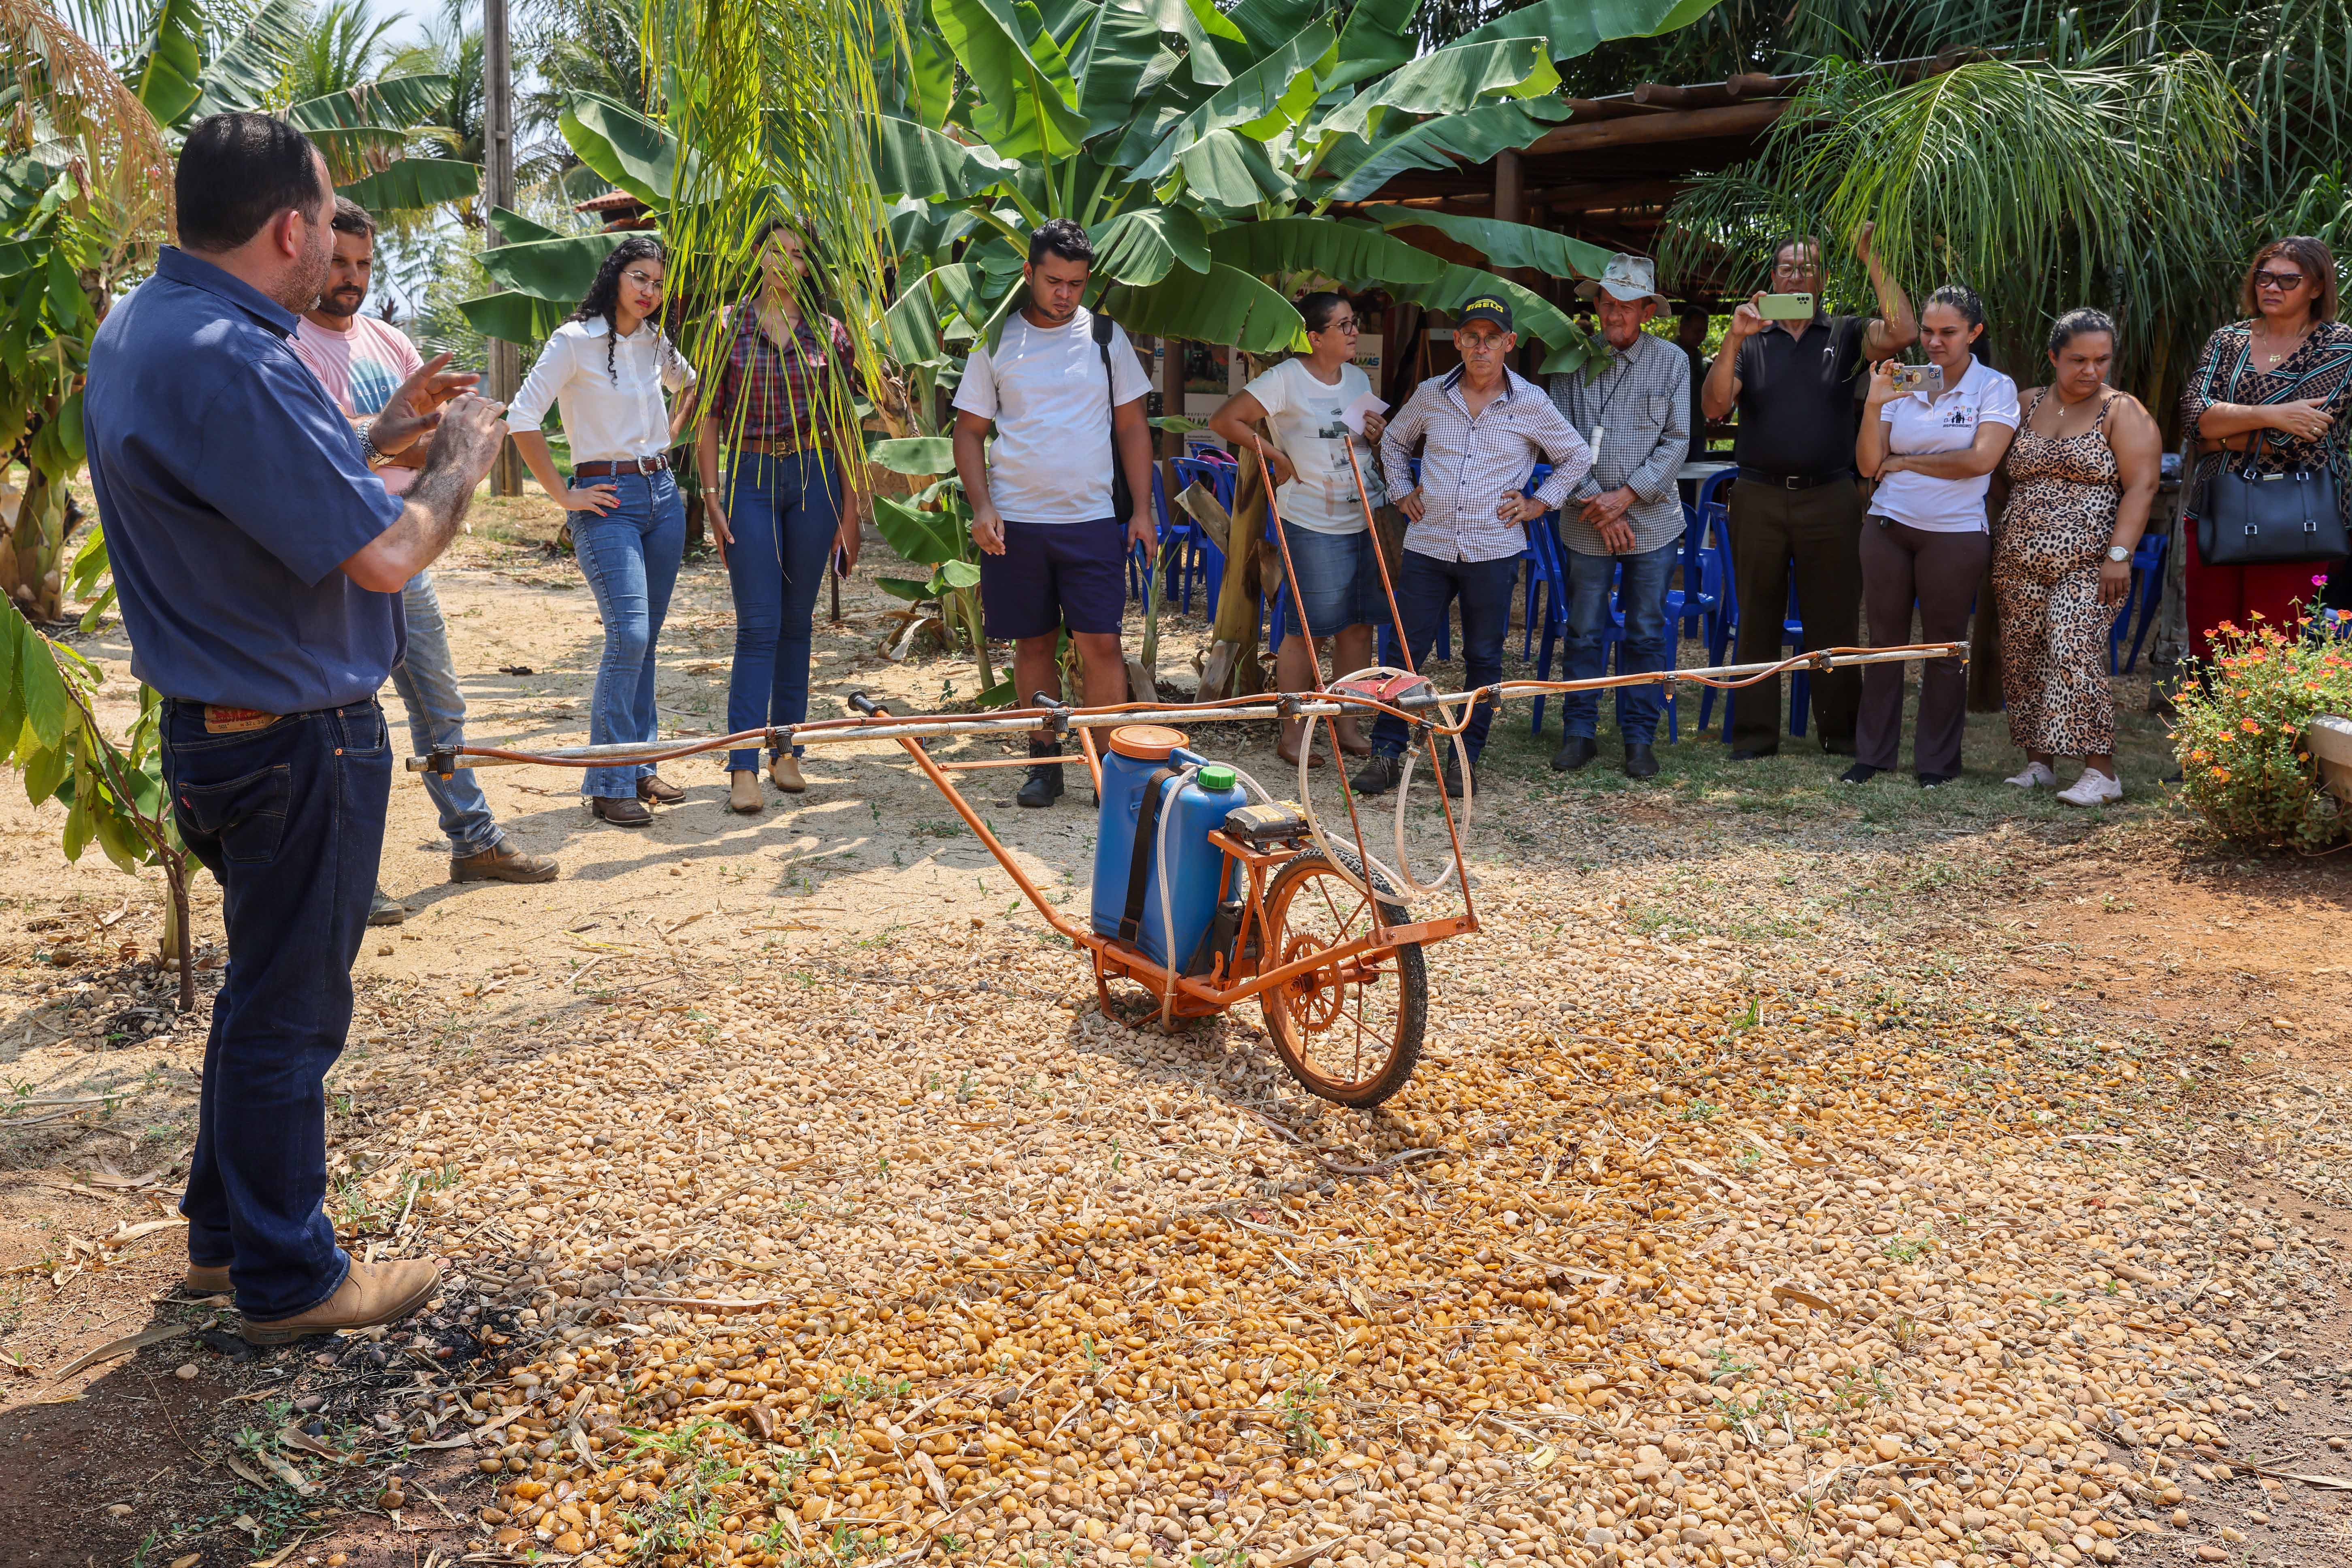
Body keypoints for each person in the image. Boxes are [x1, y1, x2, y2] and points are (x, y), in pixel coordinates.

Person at [83, 113, 504, 1339]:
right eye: (329, 215)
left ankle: (226, 1236)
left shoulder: (154, 325)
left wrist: (379, 438)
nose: (337, 237)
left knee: (260, 987)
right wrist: (463, 460)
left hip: (216, 727)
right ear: (288, 227)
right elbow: (384, 558)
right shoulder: (241, 358)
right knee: (291, 1011)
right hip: (291, 732)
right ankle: (291, 1279)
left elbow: (258, 486)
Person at [291, 197, 558, 905]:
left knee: (439, 701)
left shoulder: (387, 341)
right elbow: (320, 444)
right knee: (350, 718)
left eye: (363, 265)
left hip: (405, 543)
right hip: (340, 558)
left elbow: (425, 429)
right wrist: (398, 435)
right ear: (313, 257)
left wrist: (420, 434)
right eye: (339, 262)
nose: (352, 277)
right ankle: (356, 875)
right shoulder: (285, 344)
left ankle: (474, 839)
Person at [952, 218, 1156, 808]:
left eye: (1076, 283)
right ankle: (1045, 763)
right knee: (1034, 646)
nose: (1065, 293)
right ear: (1028, 274)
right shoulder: (997, 341)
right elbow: (969, 433)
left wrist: (1141, 511)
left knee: (1102, 646)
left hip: (1091, 520)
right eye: (1053, 281)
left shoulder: (1106, 340)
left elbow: (1133, 428)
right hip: (1016, 524)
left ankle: (1107, 769)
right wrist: (983, 505)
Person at [1357, 294, 1594, 797]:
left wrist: (1539, 503)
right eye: (1471, 336)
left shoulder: (1530, 401)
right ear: (1459, 341)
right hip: (1429, 544)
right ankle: (1386, 752)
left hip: (1494, 548)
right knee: (1402, 650)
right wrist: (1401, 491)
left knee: (1484, 656)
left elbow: (1576, 457)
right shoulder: (1430, 393)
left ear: (1509, 343)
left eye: (1492, 338)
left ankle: (1464, 755)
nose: (1480, 347)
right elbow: (1396, 441)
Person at [1701, 223, 1918, 758]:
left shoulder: (1845, 333)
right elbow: (1714, 406)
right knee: (1755, 620)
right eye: (1788, 267)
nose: (1797, 274)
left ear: (1822, 279)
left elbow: (1904, 330)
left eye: (1808, 268)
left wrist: (1870, 254)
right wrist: (1733, 338)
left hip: (1832, 496)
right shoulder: (1751, 339)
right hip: (1758, 496)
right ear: (1773, 277)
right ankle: (1754, 738)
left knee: (1835, 620)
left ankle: (1839, 736)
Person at [508, 235, 698, 827]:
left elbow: (689, 385)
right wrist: (563, 494)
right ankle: (608, 780)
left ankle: (639, 763)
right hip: (605, 500)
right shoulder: (574, 341)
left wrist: (669, 437)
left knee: (647, 640)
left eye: (659, 283)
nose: (650, 291)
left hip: (664, 498)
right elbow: (521, 418)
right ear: (615, 276)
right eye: (640, 277)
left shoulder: (654, 343)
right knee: (630, 636)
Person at [696, 219, 868, 815]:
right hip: (749, 478)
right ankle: (742, 763)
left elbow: (844, 425)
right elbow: (710, 417)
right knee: (758, 624)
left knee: (799, 623)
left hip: (815, 477)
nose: (786, 261)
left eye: (797, 254)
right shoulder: (726, 326)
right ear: (756, 255)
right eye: (775, 249)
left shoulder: (833, 334)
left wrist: (852, 509)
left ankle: (786, 751)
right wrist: (712, 499)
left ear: (807, 265)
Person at [1205, 291, 1389, 767]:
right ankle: (1292, 732)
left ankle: (1346, 722)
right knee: (1309, 631)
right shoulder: (1285, 378)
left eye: (1355, 322)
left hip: (1365, 512)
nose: (1354, 332)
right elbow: (1225, 419)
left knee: (1359, 626)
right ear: (1314, 337)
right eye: (1344, 325)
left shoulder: (1356, 377)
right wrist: (1275, 455)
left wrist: (1376, 432)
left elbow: (1367, 436)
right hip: (1311, 519)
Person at [1849, 284, 2020, 787]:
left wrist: (1904, 462)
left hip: (1954, 533)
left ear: (1974, 333)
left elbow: (1980, 461)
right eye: (1928, 331)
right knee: (1883, 646)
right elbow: (1867, 464)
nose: (1935, 342)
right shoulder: (1900, 380)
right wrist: (1874, 405)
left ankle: (1937, 764)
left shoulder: (1994, 387)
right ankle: (1873, 756)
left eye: (1949, 332)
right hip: (1887, 527)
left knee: (1945, 649)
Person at [1995, 309, 2164, 805]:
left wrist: (2119, 554)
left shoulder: (2122, 410)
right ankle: (2038, 764)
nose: (2091, 370)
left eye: (2101, 359)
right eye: (2078, 360)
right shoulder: (2025, 403)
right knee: (2024, 656)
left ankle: (2101, 771)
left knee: (2072, 647)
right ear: (2053, 357)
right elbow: (1996, 471)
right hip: (2017, 558)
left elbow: (2143, 486)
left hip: (2090, 561)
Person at [1546, 255, 1691, 779]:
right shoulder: (1569, 361)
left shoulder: (1673, 361)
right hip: (1587, 517)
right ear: (1598, 305)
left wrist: (1625, 498)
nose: (1615, 314)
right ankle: (1579, 733)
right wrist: (1599, 508)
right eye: (1608, 303)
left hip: (1652, 521)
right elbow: (1557, 439)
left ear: (1647, 311)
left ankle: (1638, 739)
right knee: (1583, 628)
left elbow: (1678, 441)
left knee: (1647, 629)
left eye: (1627, 306)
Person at [2179, 236, 2352, 660]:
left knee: (2273, 642)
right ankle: (2208, 729)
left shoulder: (2339, 343)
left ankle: (2264, 730)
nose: (2272, 287)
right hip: (2216, 507)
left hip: (2298, 515)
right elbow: (2190, 417)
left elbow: (2297, 436)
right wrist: (2273, 413)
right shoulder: (2227, 339)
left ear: (2316, 287)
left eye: (2288, 280)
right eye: (2264, 277)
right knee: (2210, 641)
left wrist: (2217, 436)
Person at [1676, 306, 1712, 464]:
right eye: (1698, 331)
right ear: (1683, 327)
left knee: (1695, 482)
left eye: (1705, 332)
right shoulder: (1670, 354)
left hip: (1696, 430)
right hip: (1673, 434)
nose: (1702, 336)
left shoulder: (1698, 356)